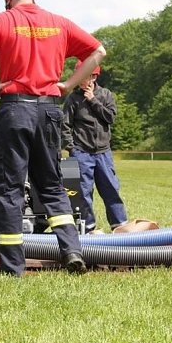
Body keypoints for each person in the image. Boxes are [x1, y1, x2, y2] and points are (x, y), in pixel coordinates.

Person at [0, 0, 106, 276]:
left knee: (9, 187)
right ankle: (72, 251)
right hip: (50, 110)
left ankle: (12, 267)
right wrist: (67, 84)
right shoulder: (58, 22)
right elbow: (98, 51)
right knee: (52, 184)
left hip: (15, 108)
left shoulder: (3, 20)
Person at [61, 61, 128, 233]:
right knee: (82, 193)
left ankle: (119, 225)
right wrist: (71, 148)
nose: (80, 79)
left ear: (93, 76)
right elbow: (64, 126)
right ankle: (88, 227)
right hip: (81, 152)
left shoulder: (105, 94)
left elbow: (110, 117)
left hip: (103, 152)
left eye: (84, 75)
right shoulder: (73, 99)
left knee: (111, 188)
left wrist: (93, 100)